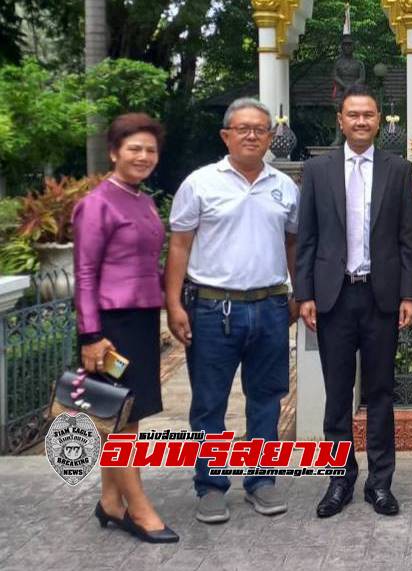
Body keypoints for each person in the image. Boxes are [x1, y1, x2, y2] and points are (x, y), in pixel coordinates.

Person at [165, 97, 299, 524]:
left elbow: (293, 244)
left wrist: (298, 293)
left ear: (271, 137)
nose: (252, 135)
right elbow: (180, 245)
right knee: (209, 402)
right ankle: (210, 484)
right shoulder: (200, 183)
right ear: (226, 135)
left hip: (270, 306)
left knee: (267, 398)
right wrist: (172, 304)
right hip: (211, 308)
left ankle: (261, 480)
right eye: (242, 128)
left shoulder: (284, 186)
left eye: (260, 129)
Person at [295, 82, 412, 518]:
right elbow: (307, 240)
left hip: (381, 297)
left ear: (378, 120)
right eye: (354, 115)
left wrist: (410, 293)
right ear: (341, 121)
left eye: (369, 115)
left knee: (381, 392)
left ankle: (380, 483)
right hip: (333, 298)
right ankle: (339, 480)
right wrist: (305, 295)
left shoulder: (399, 170)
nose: (362, 122)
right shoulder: (317, 171)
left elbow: (410, 239)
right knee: (336, 395)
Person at [73, 113, 179, 544]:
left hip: (140, 321)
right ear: (115, 152)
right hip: (110, 328)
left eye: (150, 150)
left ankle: (111, 502)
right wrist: (90, 336)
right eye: (134, 148)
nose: (143, 156)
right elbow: (83, 274)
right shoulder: (96, 203)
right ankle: (139, 510)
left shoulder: (143, 200)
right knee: (121, 423)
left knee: (125, 416)